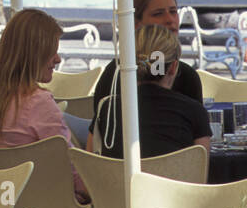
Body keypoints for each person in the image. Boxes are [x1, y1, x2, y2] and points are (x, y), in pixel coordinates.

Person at [0, 10, 86, 200]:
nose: (57, 59)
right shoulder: (39, 103)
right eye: (51, 53)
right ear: (32, 55)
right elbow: (71, 173)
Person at [91, 0, 204, 128]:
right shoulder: (117, 73)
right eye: (158, 14)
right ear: (136, 24)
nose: (170, 19)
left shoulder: (187, 76)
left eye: (173, 11)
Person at [90, 24, 210, 159]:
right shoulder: (194, 111)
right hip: (171, 180)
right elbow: (200, 171)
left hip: (117, 180)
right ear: (174, 67)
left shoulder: (108, 109)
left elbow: (91, 163)